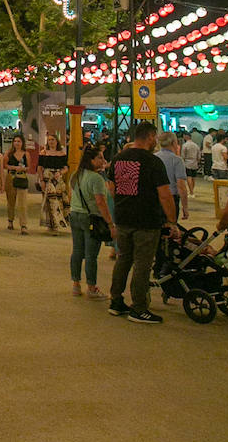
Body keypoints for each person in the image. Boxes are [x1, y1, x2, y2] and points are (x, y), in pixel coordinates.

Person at [106, 121, 180, 323]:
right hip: (146, 221)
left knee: (124, 259)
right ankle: (139, 308)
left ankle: (116, 301)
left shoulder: (118, 159)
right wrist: (172, 221)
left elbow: (111, 188)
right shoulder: (153, 162)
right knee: (142, 264)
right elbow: (165, 195)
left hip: (123, 218)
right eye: (154, 137)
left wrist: (123, 203)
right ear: (149, 137)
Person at [68, 143, 115, 297]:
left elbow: (72, 195)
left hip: (75, 215)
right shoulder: (96, 179)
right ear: (91, 160)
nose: (103, 160)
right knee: (91, 255)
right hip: (91, 219)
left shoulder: (76, 174)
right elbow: (101, 202)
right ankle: (92, 287)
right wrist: (110, 223)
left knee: (77, 251)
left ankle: (76, 285)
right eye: (100, 158)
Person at [37, 132, 69, 234]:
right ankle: (50, 223)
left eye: (53, 140)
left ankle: (57, 223)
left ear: (57, 141)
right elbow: (39, 167)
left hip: (58, 178)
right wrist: (41, 180)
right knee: (49, 201)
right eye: (49, 140)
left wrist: (60, 173)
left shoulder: (62, 153)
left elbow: (66, 167)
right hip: (47, 178)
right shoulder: (43, 153)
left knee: (58, 201)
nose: (51, 142)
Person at [156, 132, 189, 224]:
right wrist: (185, 207)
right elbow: (181, 186)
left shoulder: (153, 158)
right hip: (171, 198)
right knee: (170, 228)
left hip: (154, 198)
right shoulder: (177, 160)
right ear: (174, 143)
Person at [3, 133, 30, 234]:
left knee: (22, 203)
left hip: (22, 177)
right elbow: (4, 165)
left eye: (19, 141)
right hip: (11, 177)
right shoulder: (9, 153)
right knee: (11, 201)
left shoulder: (26, 154)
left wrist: (23, 168)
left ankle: (23, 225)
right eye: (15, 141)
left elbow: (29, 167)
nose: (17, 143)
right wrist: (14, 168)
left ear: (22, 143)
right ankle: (10, 221)